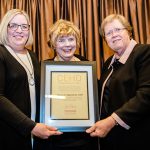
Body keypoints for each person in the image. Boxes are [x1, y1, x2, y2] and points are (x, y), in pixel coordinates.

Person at [0, 9, 62, 150]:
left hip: (36, 132)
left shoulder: (32, 55)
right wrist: (30, 126)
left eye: (24, 26)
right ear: (5, 28)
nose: (19, 30)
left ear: (29, 30)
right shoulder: (1, 54)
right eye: (13, 25)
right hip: (10, 132)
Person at [86, 14, 150, 150]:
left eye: (118, 30)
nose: (114, 35)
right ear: (105, 40)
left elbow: (146, 95)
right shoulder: (108, 63)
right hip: (109, 139)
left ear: (128, 31)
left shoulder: (145, 53)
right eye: (108, 33)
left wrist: (111, 121)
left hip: (136, 137)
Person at [35, 19, 99, 150]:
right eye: (61, 40)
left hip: (83, 138)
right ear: (53, 44)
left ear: (77, 42)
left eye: (71, 39)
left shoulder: (86, 65)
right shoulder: (44, 69)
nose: (67, 44)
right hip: (54, 138)